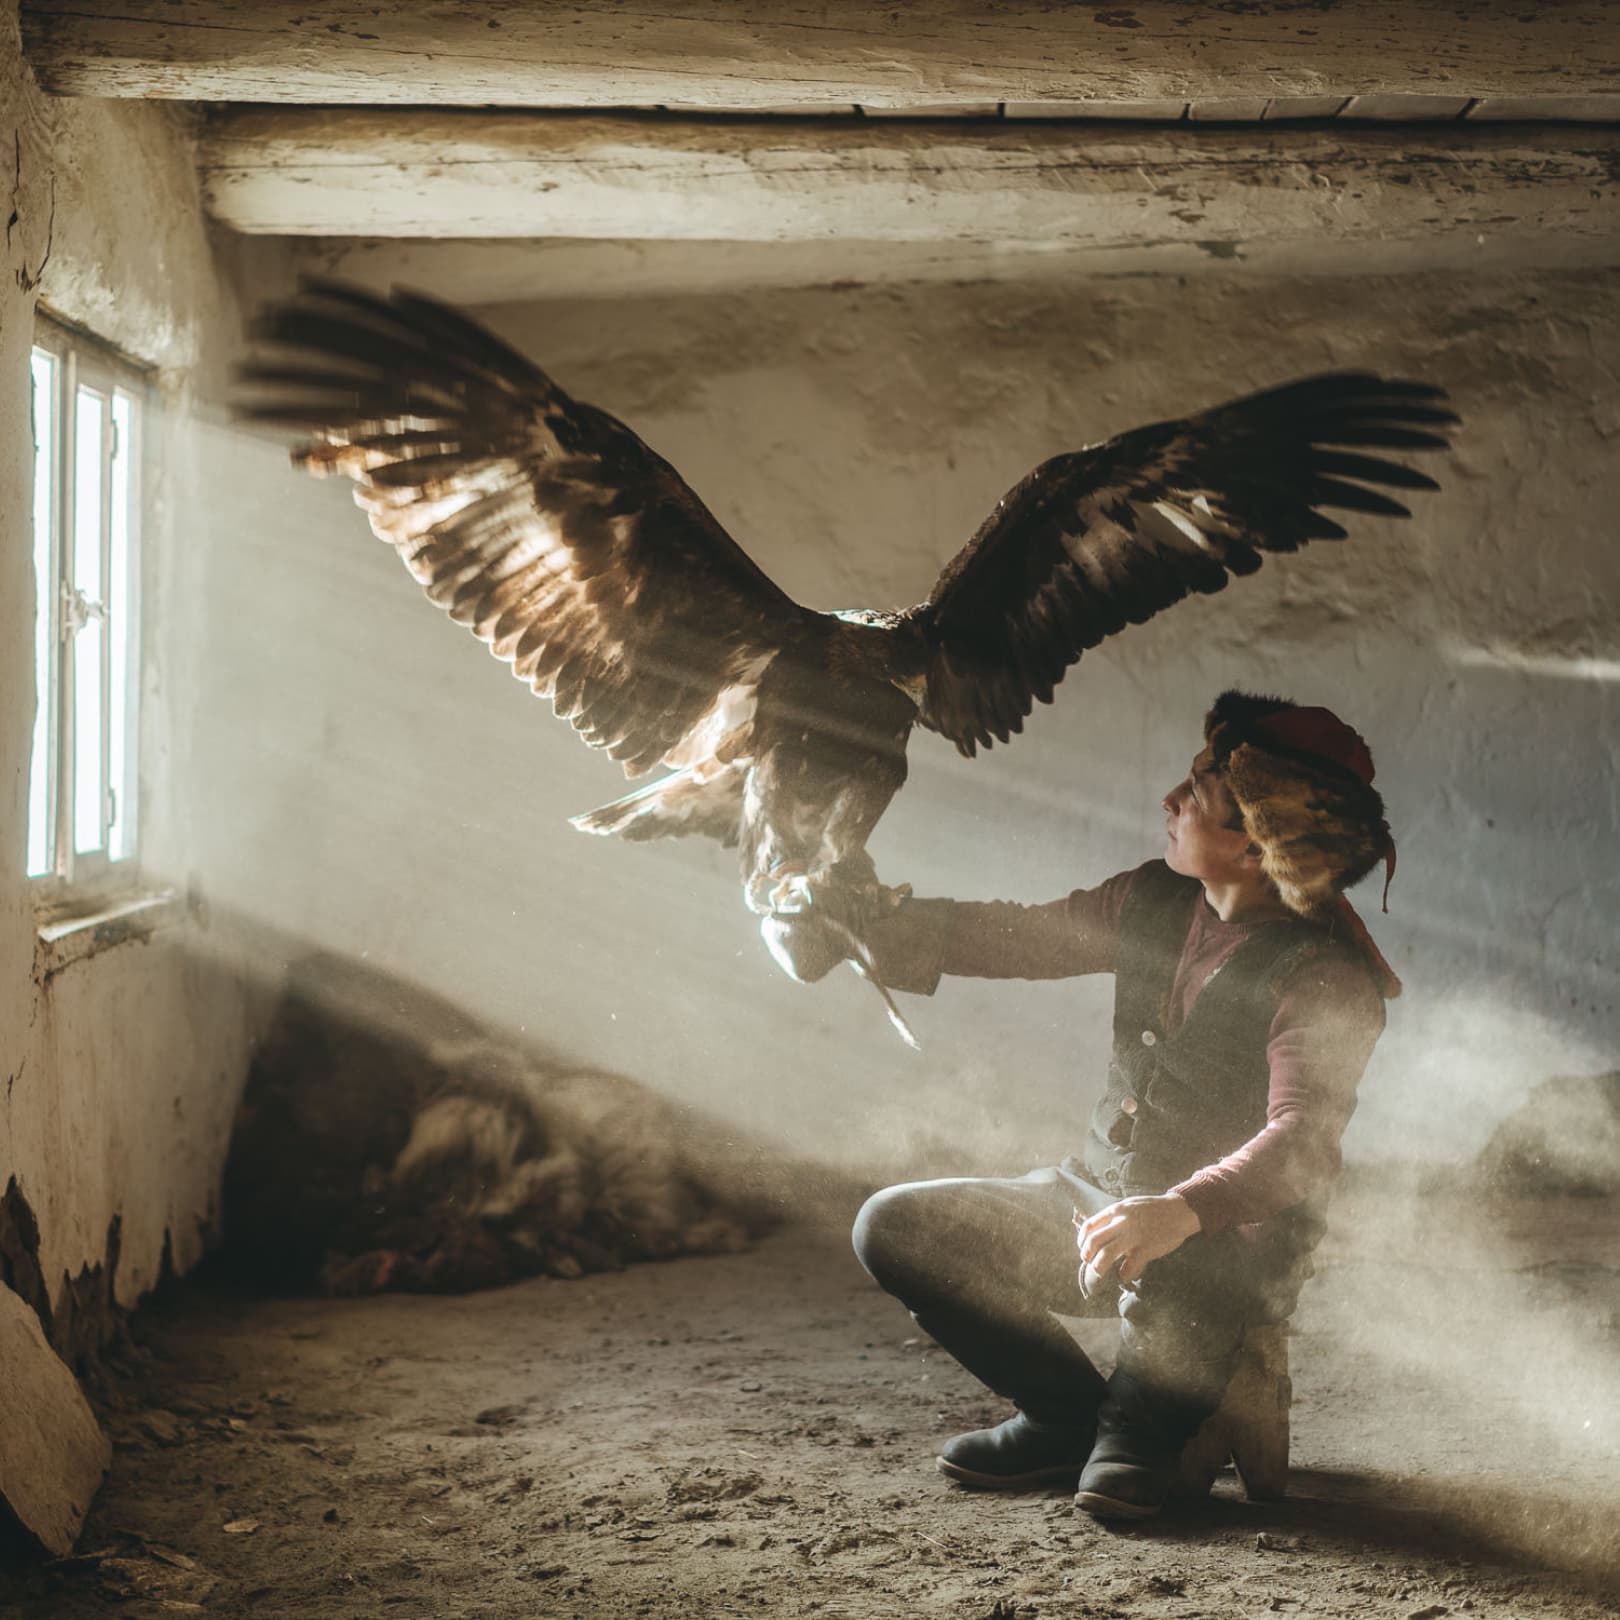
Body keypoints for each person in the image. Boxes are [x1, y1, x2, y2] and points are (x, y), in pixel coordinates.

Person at [767, 689, 1400, 1520]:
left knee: (1119, 1489)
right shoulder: (1153, 899)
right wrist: (858, 924)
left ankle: (1137, 1428)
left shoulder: (1325, 978)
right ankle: (1066, 1415)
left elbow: (1301, 1140)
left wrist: (1177, 1211)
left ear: (1258, 847)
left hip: (1219, 1250)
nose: (1171, 803)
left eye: (1198, 794)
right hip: (1093, 1205)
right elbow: (1022, 936)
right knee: (890, 1225)